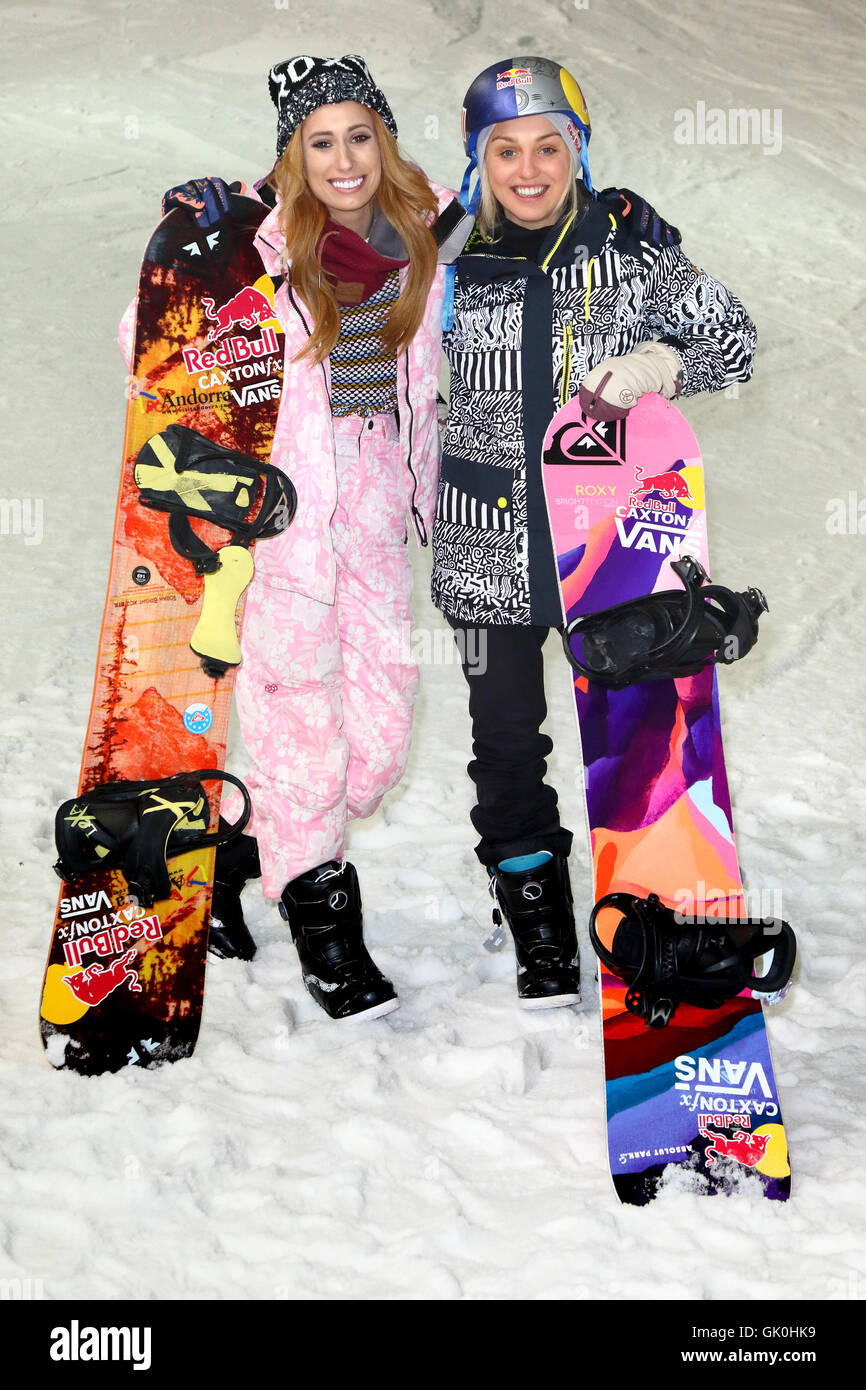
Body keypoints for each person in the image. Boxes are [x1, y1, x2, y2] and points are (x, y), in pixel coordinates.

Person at [120, 55, 468, 1020]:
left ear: (384, 144)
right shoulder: (253, 248)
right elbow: (145, 344)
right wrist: (188, 246)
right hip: (283, 522)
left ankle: (232, 851)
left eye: (360, 136)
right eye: (321, 141)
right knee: (302, 724)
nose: (343, 158)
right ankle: (324, 929)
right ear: (293, 157)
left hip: (378, 517)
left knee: (381, 744)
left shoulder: (423, 239)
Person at [433, 56, 757, 1008]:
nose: (527, 169)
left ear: (577, 150)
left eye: (548, 146)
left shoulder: (630, 247)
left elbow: (732, 338)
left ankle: (657, 896)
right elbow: (334, 262)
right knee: (505, 739)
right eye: (504, 150)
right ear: (477, 162)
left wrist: (664, 357)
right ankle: (530, 900)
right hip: (484, 543)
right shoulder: (444, 257)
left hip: (607, 547)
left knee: (638, 728)